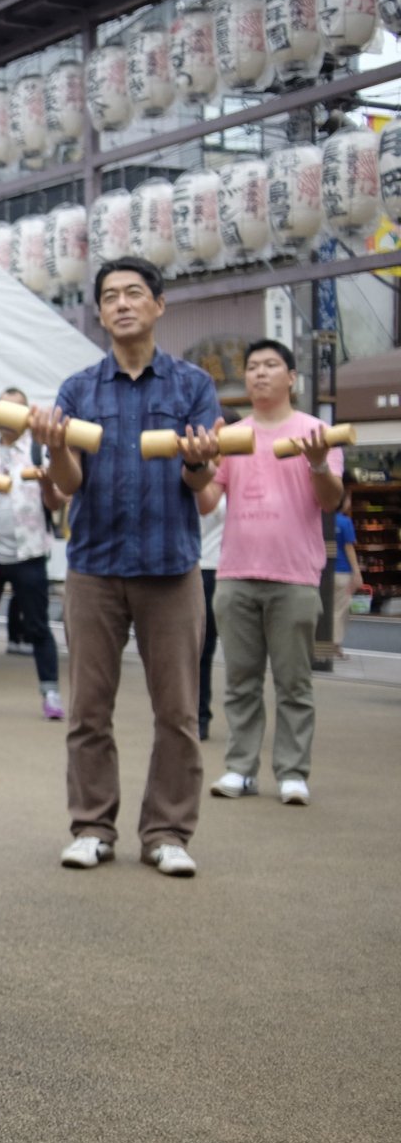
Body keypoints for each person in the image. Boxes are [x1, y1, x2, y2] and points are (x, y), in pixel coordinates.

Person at [28, 257, 222, 878]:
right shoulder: (78, 390)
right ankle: (91, 826)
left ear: (159, 305)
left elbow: (201, 481)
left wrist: (197, 460)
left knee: (178, 712)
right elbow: (67, 483)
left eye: (134, 293)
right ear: (100, 312)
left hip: (171, 567)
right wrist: (57, 446)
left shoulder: (192, 386)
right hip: (94, 567)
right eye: (109, 296)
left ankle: (167, 832)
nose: (121, 304)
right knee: (89, 709)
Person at [200, 339, 345, 806]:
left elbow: (330, 501)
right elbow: (206, 503)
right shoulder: (233, 434)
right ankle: (240, 768)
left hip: (295, 575)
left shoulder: (315, 431)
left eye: (270, 365)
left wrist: (318, 460)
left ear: (291, 378)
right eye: (253, 367)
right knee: (239, 680)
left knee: (293, 681)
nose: (259, 373)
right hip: (235, 572)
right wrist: (202, 464)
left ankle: (293, 771)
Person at [0, 387, 63, 721]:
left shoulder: (38, 450)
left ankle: (51, 692)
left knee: (38, 625)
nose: (8, 415)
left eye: (16, 409)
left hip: (29, 552)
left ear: (28, 415)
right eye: (3, 407)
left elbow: (57, 502)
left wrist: (45, 483)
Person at [197, 486, 225, 741]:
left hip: (226, 570)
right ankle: (198, 715)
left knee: (207, 649)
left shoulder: (231, 481)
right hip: (194, 567)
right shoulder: (189, 477)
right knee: (198, 649)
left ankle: (200, 715)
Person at [334, 494, 361, 656]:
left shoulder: (321, 519)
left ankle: (321, 645)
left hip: (322, 572)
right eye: (349, 499)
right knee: (340, 610)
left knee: (326, 608)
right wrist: (356, 572)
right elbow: (349, 548)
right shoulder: (345, 522)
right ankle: (335, 646)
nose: (350, 502)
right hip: (342, 571)